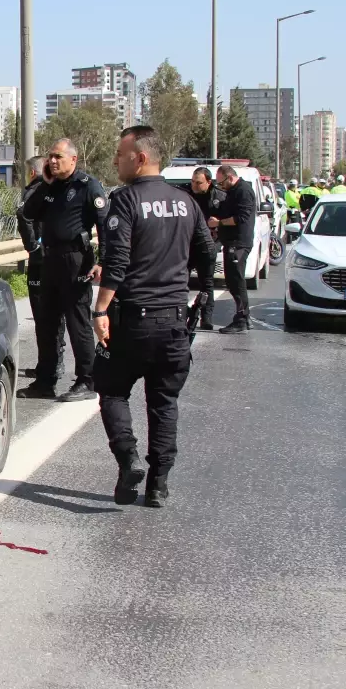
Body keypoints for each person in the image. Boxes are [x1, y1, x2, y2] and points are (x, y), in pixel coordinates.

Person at [93, 126, 216, 508]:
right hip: (175, 320)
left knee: (112, 389)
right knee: (164, 403)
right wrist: (190, 283)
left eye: (121, 154)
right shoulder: (186, 202)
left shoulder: (126, 200)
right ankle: (159, 484)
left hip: (133, 320)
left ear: (140, 158)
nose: (116, 160)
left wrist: (100, 310)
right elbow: (208, 252)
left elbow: (117, 262)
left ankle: (129, 459)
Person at [17, 138, 108, 401]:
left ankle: (86, 380)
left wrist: (103, 261)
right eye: (50, 157)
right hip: (50, 260)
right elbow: (30, 213)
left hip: (76, 260)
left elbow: (105, 226)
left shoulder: (88, 186)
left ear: (73, 159)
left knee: (77, 322)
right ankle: (45, 381)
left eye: (58, 157)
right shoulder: (52, 186)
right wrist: (45, 184)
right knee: (47, 323)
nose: (53, 161)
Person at [16, 155, 66, 381]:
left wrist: (33, 250)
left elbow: (23, 217)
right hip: (58, 260)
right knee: (57, 314)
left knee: (43, 315)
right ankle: (57, 361)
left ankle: (48, 365)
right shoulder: (59, 190)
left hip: (40, 262)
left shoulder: (35, 192)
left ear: (33, 173)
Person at [208, 164, 256, 334]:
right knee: (232, 280)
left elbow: (241, 218)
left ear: (230, 177)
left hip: (239, 243)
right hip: (231, 241)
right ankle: (244, 317)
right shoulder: (232, 191)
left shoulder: (243, 191)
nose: (220, 187)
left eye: (221, 183)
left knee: (237, 281)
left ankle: (242, 318)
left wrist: (219, 223)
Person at [185, 167, 224, 331]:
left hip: (207, 246)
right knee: (181, 281)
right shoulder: (185, 194)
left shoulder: (220, 198)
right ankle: (182, 315)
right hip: (187, 245)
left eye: (198, 182)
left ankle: (206, 318)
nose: (194, 185)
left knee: (206, 283)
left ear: (209, 182)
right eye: (193, 181)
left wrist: (217, 242)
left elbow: (225, 224)